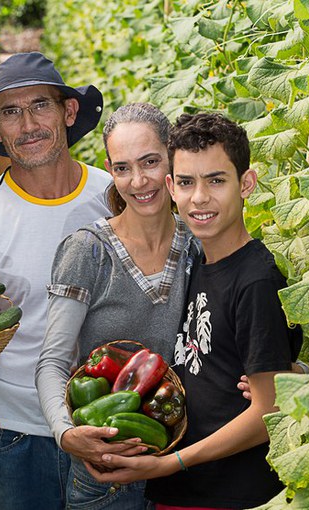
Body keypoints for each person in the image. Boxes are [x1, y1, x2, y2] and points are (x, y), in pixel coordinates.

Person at [85, 112, 303, 510]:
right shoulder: (198, 262)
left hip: (231, 492)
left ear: (246, 184)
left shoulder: (255, 280)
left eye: (216, 180)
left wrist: (171, 463)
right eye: (186, 182)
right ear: (171, 187)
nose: (199, 197)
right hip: (186, 489)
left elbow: (267, 410)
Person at [0, 52, 111, 509]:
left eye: (40, 105)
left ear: (68, 112)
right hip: (9, 424)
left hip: (104, 414)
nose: (28, 124)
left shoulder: (115, 197)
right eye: (11, 113)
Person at [35, 102, 201, 509]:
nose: (139, 180)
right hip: (107, 475)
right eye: (123, 167)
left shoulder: (200, 243)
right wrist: (66, 432)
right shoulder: (88, 251)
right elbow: (53, 361)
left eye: (150, 162)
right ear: (110, 168)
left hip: (186, 466)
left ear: (172, 157)